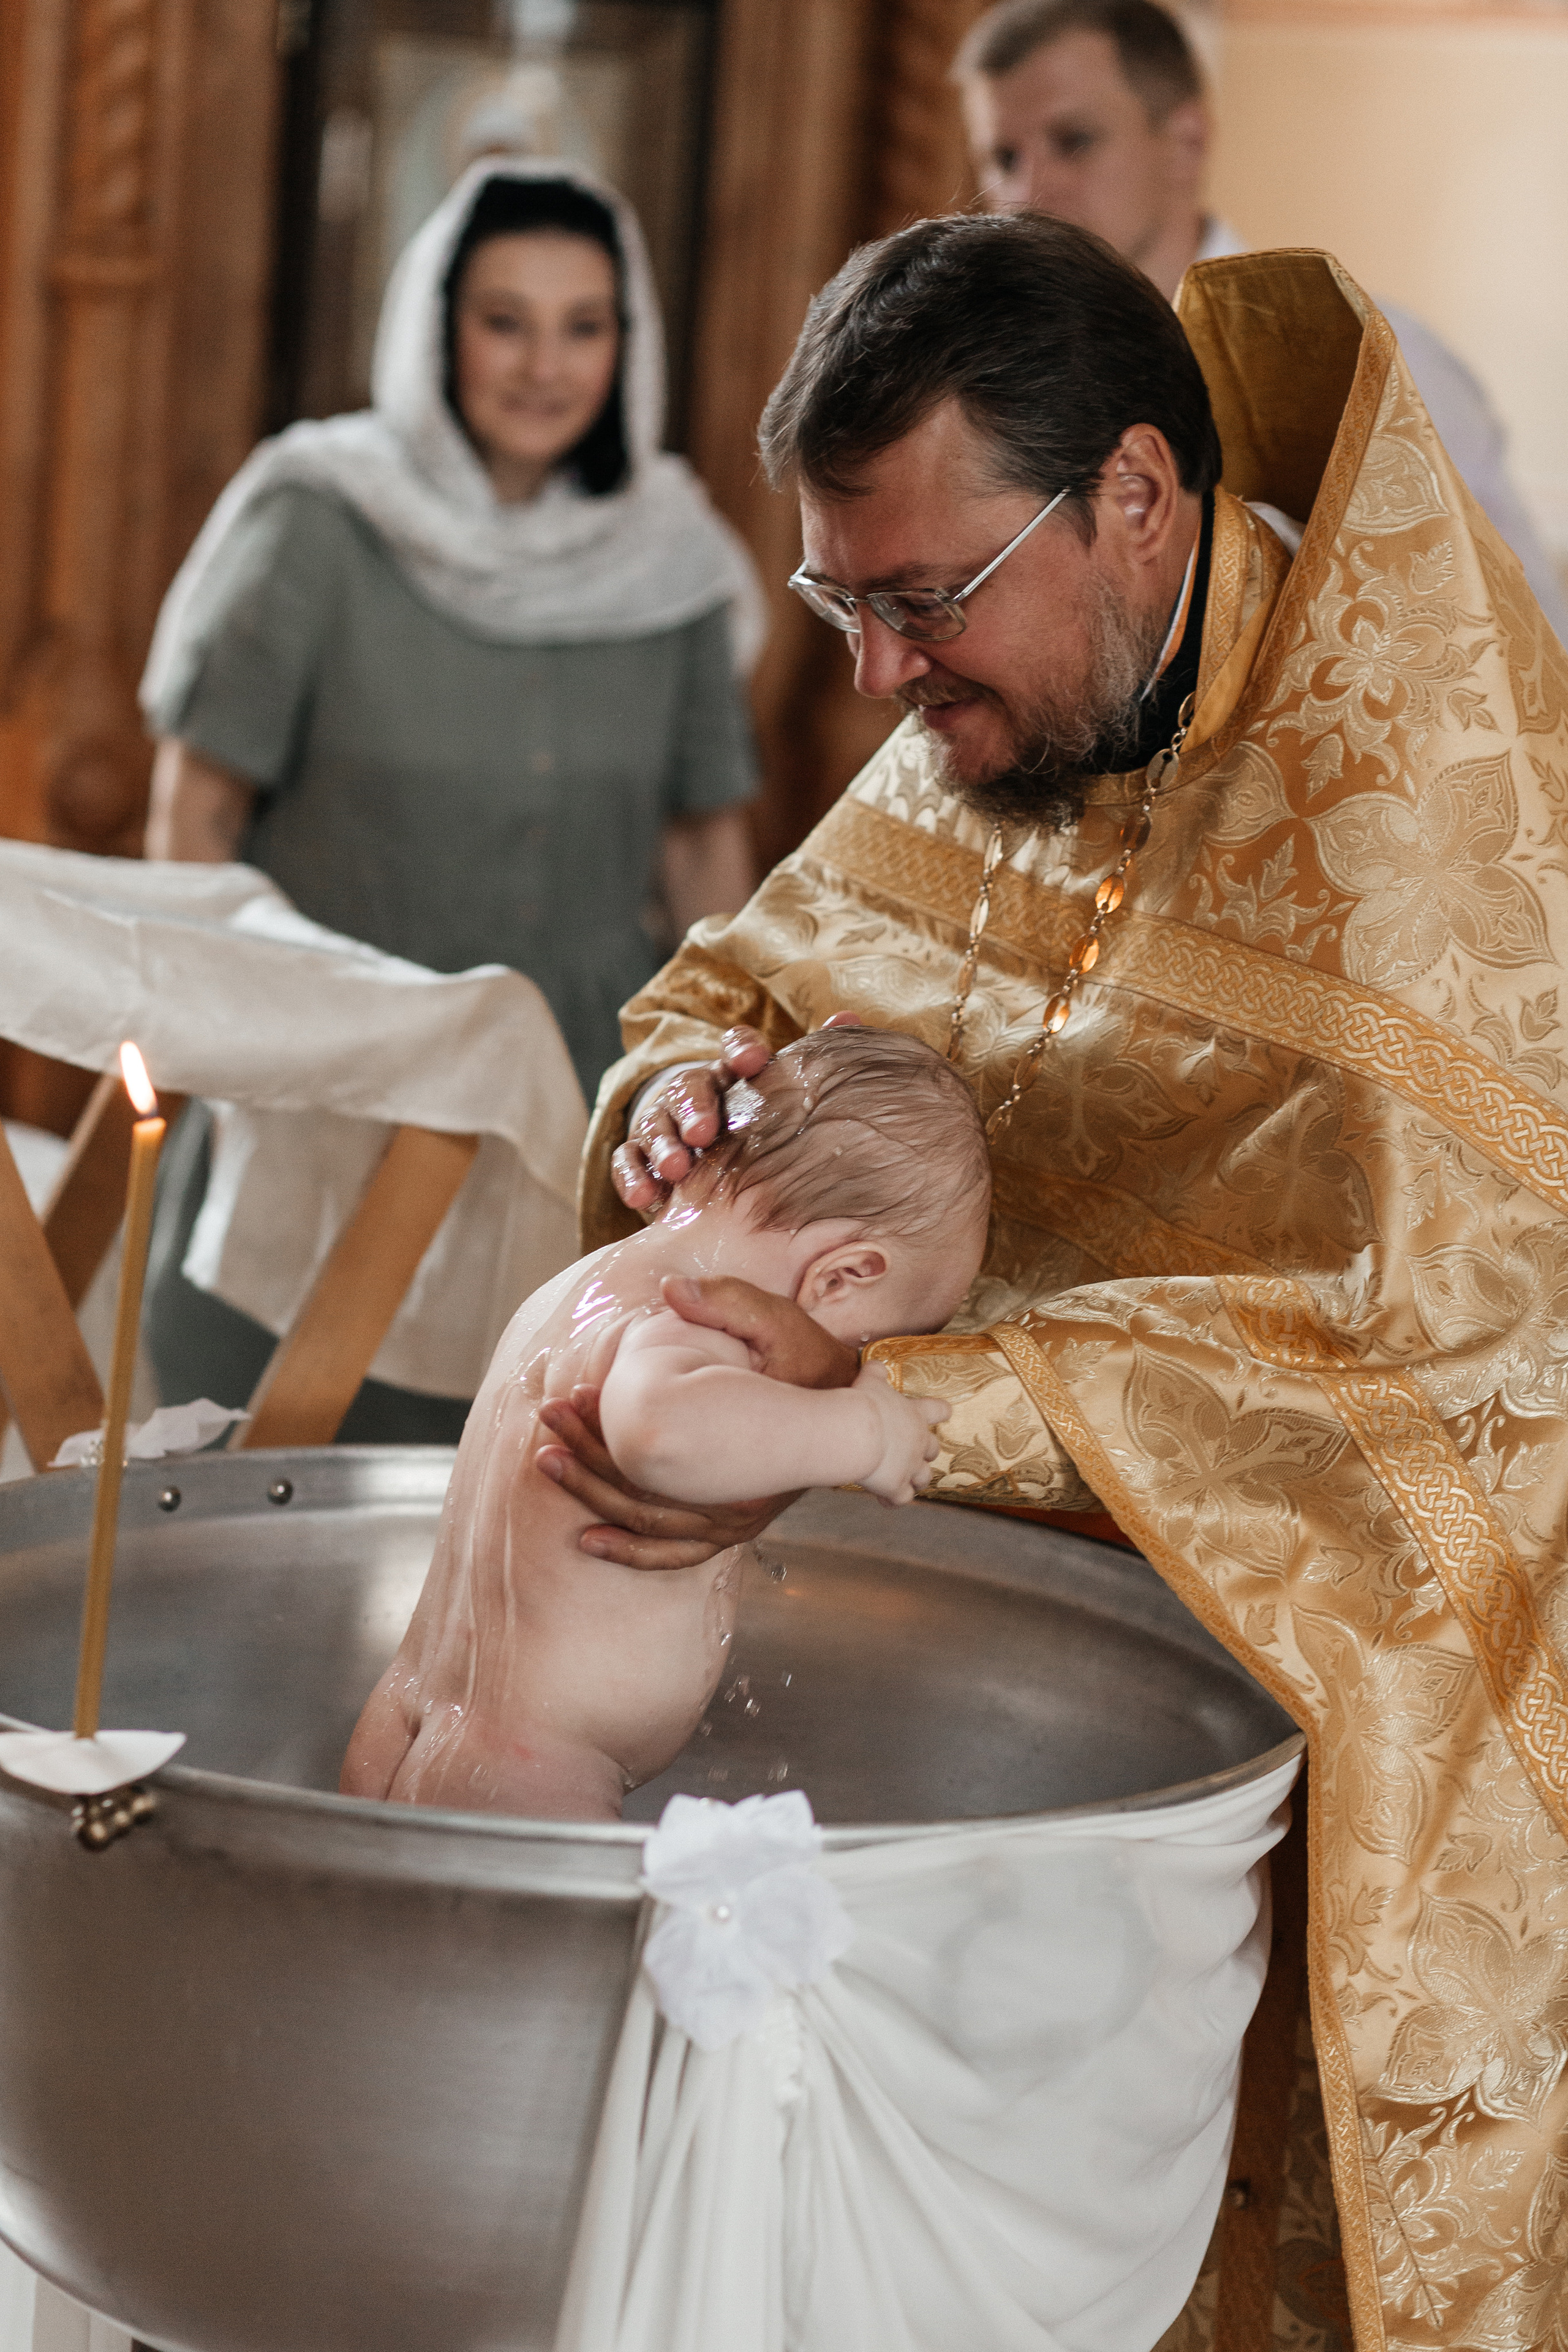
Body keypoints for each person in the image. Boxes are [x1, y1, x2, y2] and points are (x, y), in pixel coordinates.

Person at [538, 216, 1568, 2351]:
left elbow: (1447, 1379)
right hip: (988, 1727)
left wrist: (915, 1416)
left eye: (918, 601)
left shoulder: (1437, 815)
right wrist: (667, 1104)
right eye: (845, 600)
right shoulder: (1002, 706)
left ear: (1133, 497)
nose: (878, 684)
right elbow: (744, 985)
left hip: (1336, 1743)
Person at [138, 157, 763, 1442]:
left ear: (623, 347)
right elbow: (194, 818)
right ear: (435, 328)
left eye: (583, 325)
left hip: (581, 1107)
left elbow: (705, 855)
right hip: (328, 1083)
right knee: (263, 1487)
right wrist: (214, 1035)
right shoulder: (317, 518)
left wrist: (741, 1088)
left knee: (537, 1476)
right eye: (503, 320)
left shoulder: (675, 559)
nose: (544, 364)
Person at [340, 1027, 981, 1819]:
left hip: (409, 1712)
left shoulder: (589, 1285)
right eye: (864, 1343)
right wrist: (868, 1431)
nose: (854, 1361)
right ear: (844, 1276)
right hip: (527, 1769)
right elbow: (659, 1430)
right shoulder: (698, 1315)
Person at [953, 0, 1568, 642]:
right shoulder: (1006, 381)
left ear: (1186, 144)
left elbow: (1516, 647)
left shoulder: (1356, 357)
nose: (1026, 193)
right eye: (1002, 158)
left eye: (1072, 141)